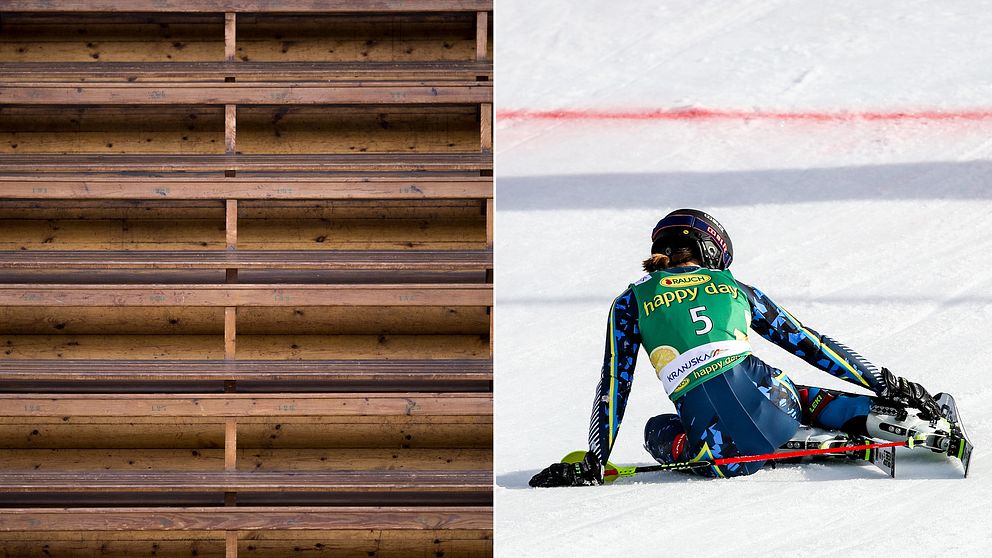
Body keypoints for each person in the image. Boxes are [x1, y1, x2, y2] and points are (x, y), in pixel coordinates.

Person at [531, 209, 953, 486]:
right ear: (711, 252)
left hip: (717, 454)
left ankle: (776, 445)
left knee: (655, 429)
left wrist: (595, 460)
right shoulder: (735, 288)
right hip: (778, 406)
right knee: (798, 394)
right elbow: (812, 345)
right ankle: (883, 413)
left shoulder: (629, 302)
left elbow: (613, 388)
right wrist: (888, 382)